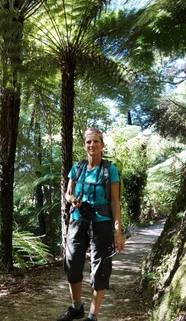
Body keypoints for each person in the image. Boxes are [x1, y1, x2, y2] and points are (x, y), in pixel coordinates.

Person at [57, 127, 125, 321]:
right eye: (88, 142)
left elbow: (114, 202)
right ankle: (76, 307)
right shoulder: (77, 168)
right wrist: (72, 200)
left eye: (96, 141)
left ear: (102, 145)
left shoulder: (109, 170)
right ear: (84, 145)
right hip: (78, 220)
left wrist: (117, 232)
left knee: (100, 268)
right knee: (72, 263)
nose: (92, 145)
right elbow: (68, 193)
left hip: (101, 223)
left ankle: (92, 316)